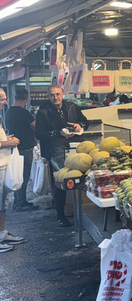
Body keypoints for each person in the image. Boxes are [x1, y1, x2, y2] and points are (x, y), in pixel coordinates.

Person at [35, 86, 89, 227]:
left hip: (75, 149)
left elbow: (86, 122)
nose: (55, 98)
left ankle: (83, 212)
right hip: (56, 151)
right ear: (48, 96)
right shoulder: (43, 111)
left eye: (58, 94)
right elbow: (39, 134)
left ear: (63, 94)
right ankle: (61, 216)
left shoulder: (72, 107)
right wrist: (58, 133)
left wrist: (79, 125)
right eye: (52, 95)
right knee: (60, 182)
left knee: (81, 179)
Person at [0, 89, 25, 252]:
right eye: (2, 99)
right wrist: (5, 144)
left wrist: (6, 139)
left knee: (3, 202)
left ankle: (2, 234)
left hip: (3, 164)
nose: (5, 102)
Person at [7, 88, 39, 212]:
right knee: (23, 176)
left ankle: (18, 202)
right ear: (26, 98)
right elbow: (35, 126)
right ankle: (21, 203)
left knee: (18, 176)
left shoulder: (9, 111)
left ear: (15, 97)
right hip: (25, 148)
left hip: (14, 149)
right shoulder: (24, 113)